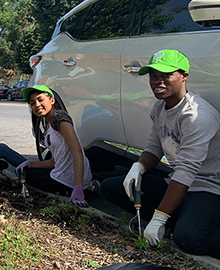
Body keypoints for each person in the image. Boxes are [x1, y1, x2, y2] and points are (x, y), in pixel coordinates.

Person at [101, 50, 220, 256]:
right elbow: (154, 148)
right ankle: (177, 220)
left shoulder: (197, 115)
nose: (158, 81)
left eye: (166, 75)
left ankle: (180, 222)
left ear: (184, 76)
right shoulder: (159, 108)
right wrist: (138, 166)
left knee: (189, 240)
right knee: (111, 188)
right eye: (153, 76)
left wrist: (159, 218)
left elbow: (187, 170)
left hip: (207, 187)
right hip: (175, 182)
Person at [15, 85, 92, 207]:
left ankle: (79, 190)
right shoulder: (48, 122)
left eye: (40, 100)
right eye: (33, 103)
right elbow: (55, 161)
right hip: (65, 175)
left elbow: (77, 152)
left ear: (52, 100)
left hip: (68, 181)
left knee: (28, 175)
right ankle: (89, 188)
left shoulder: (60, 119)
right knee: (25, 169)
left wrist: (78, 188)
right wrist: (30, 163)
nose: (37, 105)